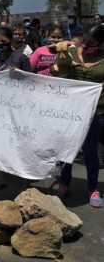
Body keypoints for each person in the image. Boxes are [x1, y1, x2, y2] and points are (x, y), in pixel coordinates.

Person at [55, 25, 104, 208]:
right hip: (71, 110)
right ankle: (65, 183)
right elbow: (62, 75)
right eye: (84, 42)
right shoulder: (72, 52)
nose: (86, 46)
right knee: (67, 149)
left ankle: (93, 188)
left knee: (91, 152)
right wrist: (62, 62)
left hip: (96, 111)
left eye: (91, 44)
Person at [0, 27, 31, 190]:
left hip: (17, 110)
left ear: (11, 41)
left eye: (4, 41)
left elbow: (30, 83)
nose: (1, 44)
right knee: (0, 143)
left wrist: (18, 75)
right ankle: (2, 176)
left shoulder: (20, 58)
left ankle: (25, 183)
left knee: (19, 146)